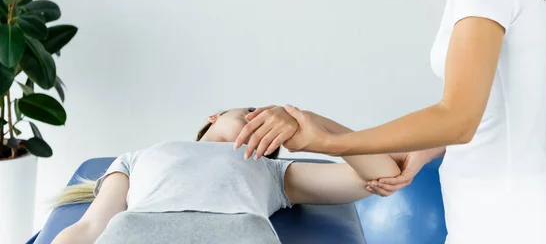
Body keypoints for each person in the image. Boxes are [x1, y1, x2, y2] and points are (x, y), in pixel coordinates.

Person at [234, 0, 546, 244]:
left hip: (504, 221)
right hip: (496, 213)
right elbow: (490, 109)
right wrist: (421, 153)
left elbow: (459, 118)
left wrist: (329, 145)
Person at [50, 107, 400, 244]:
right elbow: (89, 228)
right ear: (215, 116)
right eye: (252, 112)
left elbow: (381, 175)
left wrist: (310, 125)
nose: (259, 119)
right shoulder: (137, 157)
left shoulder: (270, 170)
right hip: (138, 235)